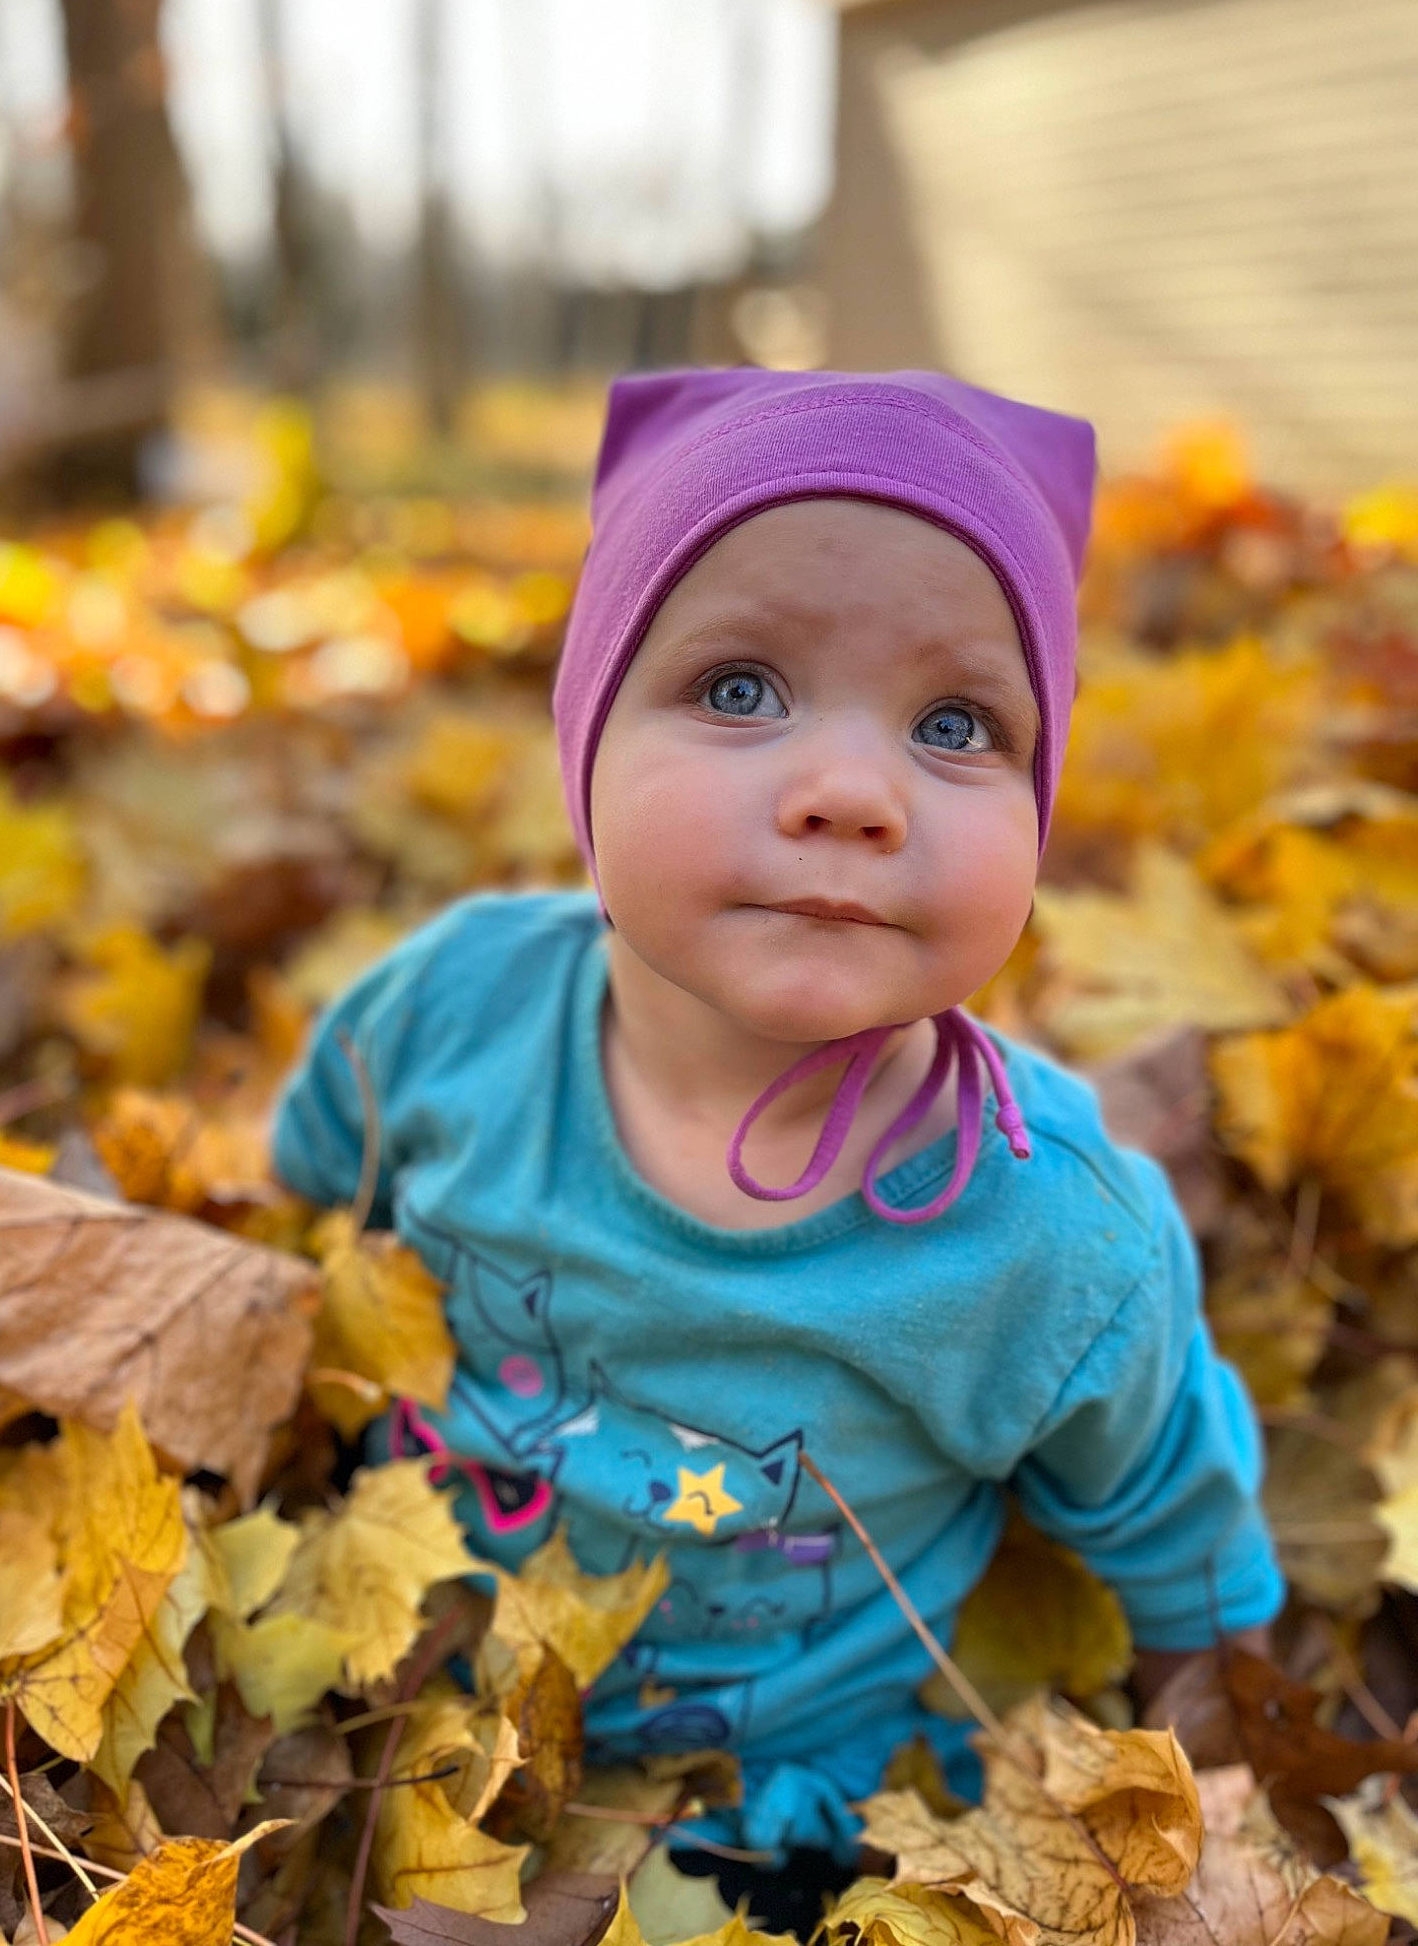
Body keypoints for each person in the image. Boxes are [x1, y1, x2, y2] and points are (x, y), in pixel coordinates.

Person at [270, 367, 1283, 1928]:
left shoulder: (1051, 1232)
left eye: (957, 724)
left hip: (823, 1818)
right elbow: (302, 1201)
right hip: (408, 1718)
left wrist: (1218, 1846)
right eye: (740, 689)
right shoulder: (449, 1012)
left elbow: (1182, 1550)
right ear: (586, 736)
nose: (849, 792)